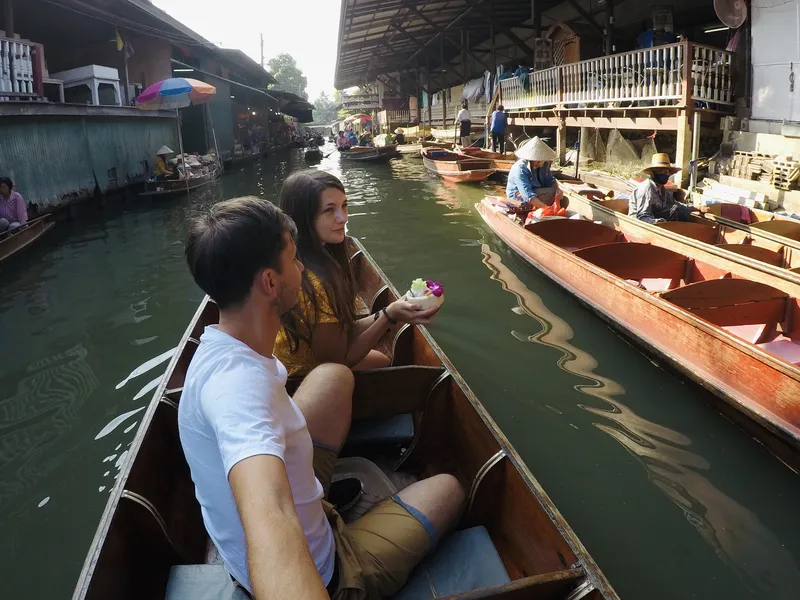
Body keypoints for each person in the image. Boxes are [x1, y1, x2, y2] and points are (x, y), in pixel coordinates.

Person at [180, 196, 465, 599]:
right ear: (270, 282)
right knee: (449, 489)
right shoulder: (237, 390)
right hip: (326, 571)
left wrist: (390, 314)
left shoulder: (221, 346)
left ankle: (322, 499)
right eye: (294, 260)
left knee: (332, 378)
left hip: (300, 497)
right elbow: (272, 510)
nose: (301, 268)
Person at [275, 170, 440, 377]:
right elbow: (338, 362)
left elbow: (343, 331)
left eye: (344, 206)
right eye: (329, 210)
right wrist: (390, 316)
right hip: (301, 378)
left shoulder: (311, 258)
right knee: (382, 361)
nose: (343, 218)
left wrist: (391, 310)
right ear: (304, 217)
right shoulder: (316, 281)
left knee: (382, 360)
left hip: (308, 361)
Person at [630, 153, 697, 223]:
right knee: (676, 211)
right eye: (663, 172)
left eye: (668, 172)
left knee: (679, 210)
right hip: (640, 222)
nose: (666, 175)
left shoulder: (662, 189)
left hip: (655, 216)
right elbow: (642, 217)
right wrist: (658, 222)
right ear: (652, 174)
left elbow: (674, 203)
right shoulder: (646, 189)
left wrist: (695, 208)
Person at [506, 137, 560, 207]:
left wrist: (558, 190)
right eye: (537, 161)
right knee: (550, 193)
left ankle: (541, 207)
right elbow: (527, 194)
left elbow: (551, 181)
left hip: (536, 191)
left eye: (542, 161)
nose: (540, 164)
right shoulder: (520, 168)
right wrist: (547, 209)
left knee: (555, 193)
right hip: (517, 196)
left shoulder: (544, 165)